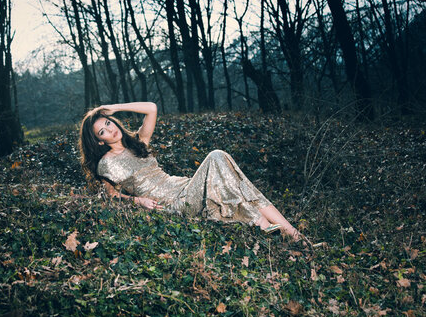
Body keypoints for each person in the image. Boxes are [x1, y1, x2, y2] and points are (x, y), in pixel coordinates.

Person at [78, 102, 302, 241]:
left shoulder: (138, 142)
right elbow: (110, 196)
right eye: (102, 131)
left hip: (183, 186)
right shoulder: (106, 163)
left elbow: (152, 108)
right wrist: (138, 202)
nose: (110, 129)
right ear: (99, 142)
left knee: (234, 181)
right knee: (217, 156)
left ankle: (290, 232)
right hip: (172, 203)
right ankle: (276, 229)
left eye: (108, 123)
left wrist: (115, 107)